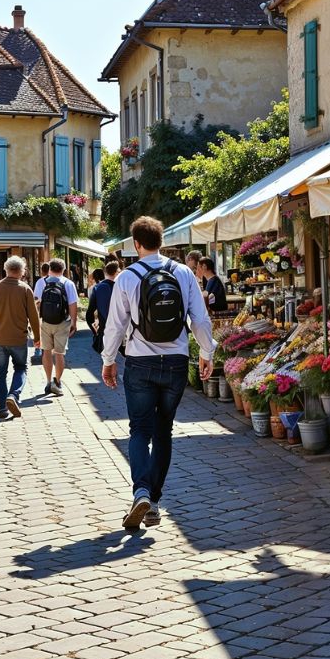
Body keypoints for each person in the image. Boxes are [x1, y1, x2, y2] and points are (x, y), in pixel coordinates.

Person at [102, 216, 215, 530]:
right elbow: (200, 319)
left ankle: (141, 491)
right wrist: (207, 353)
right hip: (176, 361)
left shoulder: (127, 277)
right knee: (163, 430)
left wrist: (108, 360)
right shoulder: (182, 272)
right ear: (161, 241)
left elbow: (116, 325)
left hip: (140, 362)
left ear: (136, 243)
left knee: (139, 430)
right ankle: (152, 501)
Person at [0, 255, 42, 419]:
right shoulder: (25, 289)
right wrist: (37, 338)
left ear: (6, 269)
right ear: (22, 271)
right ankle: (13, 395)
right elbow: (34, 317)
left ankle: (2, 408)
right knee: (20, 368)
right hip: (18, 339)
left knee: (0, 373)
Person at [35, 258, 80, 396]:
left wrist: (37, 322)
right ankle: (58, 381)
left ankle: (48, 382)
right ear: (64, 269)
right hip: (63, 322)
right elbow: (73, 304)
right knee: (59, 353)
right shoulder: (68, 283)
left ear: (49, 269)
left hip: (46, 322)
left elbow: (36, 303)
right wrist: (74, 323)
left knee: (46, 352)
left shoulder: (41, 282)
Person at [88, 260, 119, 353]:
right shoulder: (121, 286)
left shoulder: (97, 288)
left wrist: (95, 331)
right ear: (117, 272)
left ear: (106, 272)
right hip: (121, 329)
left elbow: (89, 313)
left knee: (107, 360)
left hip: (104, 329)